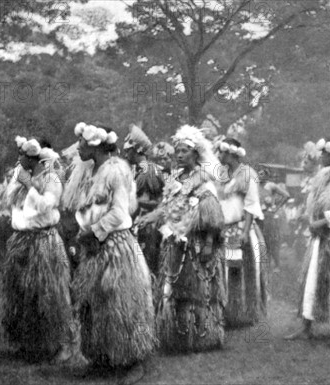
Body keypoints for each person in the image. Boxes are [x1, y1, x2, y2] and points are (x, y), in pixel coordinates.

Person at [64, 122, 156, 383]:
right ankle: (100, 358)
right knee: (94, 304)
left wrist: (94, 231)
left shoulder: (117, 171)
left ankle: (131, 361)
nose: (78, 147)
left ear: (95, 146)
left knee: (120, 302)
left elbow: (120, 211)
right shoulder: (91, 171)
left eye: (82, 143)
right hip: (94, 247)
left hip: (116, 247)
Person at [139, 125, 226, 353]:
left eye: (184, 151)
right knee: (173, 290)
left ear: (195, 153)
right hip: (174, 243)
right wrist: (150, 217)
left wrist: (208, 244)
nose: (179, 155)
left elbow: (212, 218)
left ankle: (203, 337)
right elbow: (167, 206)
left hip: (195, 246)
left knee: (197, 291)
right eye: (177, 150)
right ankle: (177, 337)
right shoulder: (175, 178)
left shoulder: (203, 180)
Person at [2, 136, 86, 365]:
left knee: (52, 294)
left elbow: (46, 205)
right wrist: (23, 182)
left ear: (34, 158)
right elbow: (11, 202)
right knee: (24, 294)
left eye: (22, 155)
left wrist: (29, 184)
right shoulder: (21, 176)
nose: (18, 158)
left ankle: (64, 344)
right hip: (22, 241)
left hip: (44, 242)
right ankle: (33, 342)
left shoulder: (51, 179)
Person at [215, 138, 268, 326]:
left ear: (230, 153)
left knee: (241, 270)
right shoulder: (220, 173)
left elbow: (251, 205)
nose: (218, 156)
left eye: (221, 152)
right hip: (224, 230)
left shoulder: (247, 174)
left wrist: (244, 232)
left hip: (241, 228)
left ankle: (245, 313)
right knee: (226, 271)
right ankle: (228, 313)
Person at [285, 137, 330, 340]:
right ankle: (306, 326)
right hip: (320, 239)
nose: (321, 156)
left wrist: (318, 224)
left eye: (325, 153)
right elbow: (316, 205)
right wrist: (309, 218)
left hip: (326, 234)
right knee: (311, 280)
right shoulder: (323, 177)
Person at [122, 124, 165, 276]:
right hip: (140, 224)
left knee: (147, 269)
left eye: (129, 151)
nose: (126, 154)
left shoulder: (149, 171)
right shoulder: (140, 170)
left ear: (137, 150)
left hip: (149, 226)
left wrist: (131, 203)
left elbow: (154, 201)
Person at [257, 168, 291, 271]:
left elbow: (286, 195)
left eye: (262, 174)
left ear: (267, 175)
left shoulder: (271, 185)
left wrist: (276, 207)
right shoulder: (255, 186)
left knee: (271, 241)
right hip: (258, 216)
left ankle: (277, 265)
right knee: (259, 241)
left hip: (269, 216)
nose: (259, 176)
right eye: (258, 173)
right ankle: (263, 264)